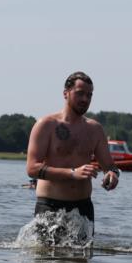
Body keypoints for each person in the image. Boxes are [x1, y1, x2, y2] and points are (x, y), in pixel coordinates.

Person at [25, 71, 119, 234]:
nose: (85, 99)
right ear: (65, 94)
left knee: (83, 259)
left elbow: (109, 166)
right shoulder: (46, 125)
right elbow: (32, 169)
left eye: (89, 95)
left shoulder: (95, 129)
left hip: (83, 208)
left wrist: (112, 174)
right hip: (50, 206)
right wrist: (72, 173)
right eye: (80, 93)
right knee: (46, 258)